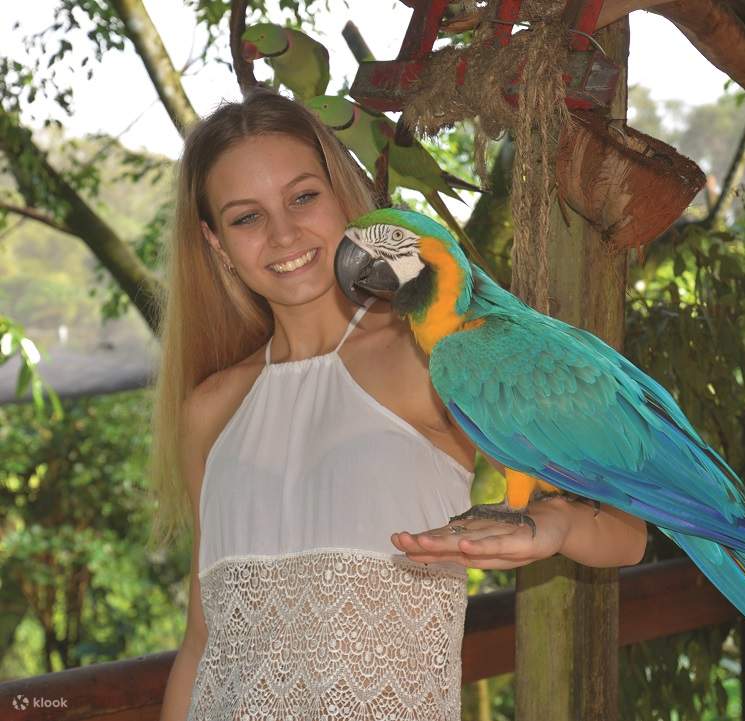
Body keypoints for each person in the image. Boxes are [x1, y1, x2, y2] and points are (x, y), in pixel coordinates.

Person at [150, 85, 648, 721]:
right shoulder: (209, 411)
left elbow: (628, 534)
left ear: (343, 199)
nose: (283, 233)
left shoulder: (435, 357)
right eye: (246, 217)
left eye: (304, 197)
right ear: (215, 242)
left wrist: (554, 527)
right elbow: (203, 643)